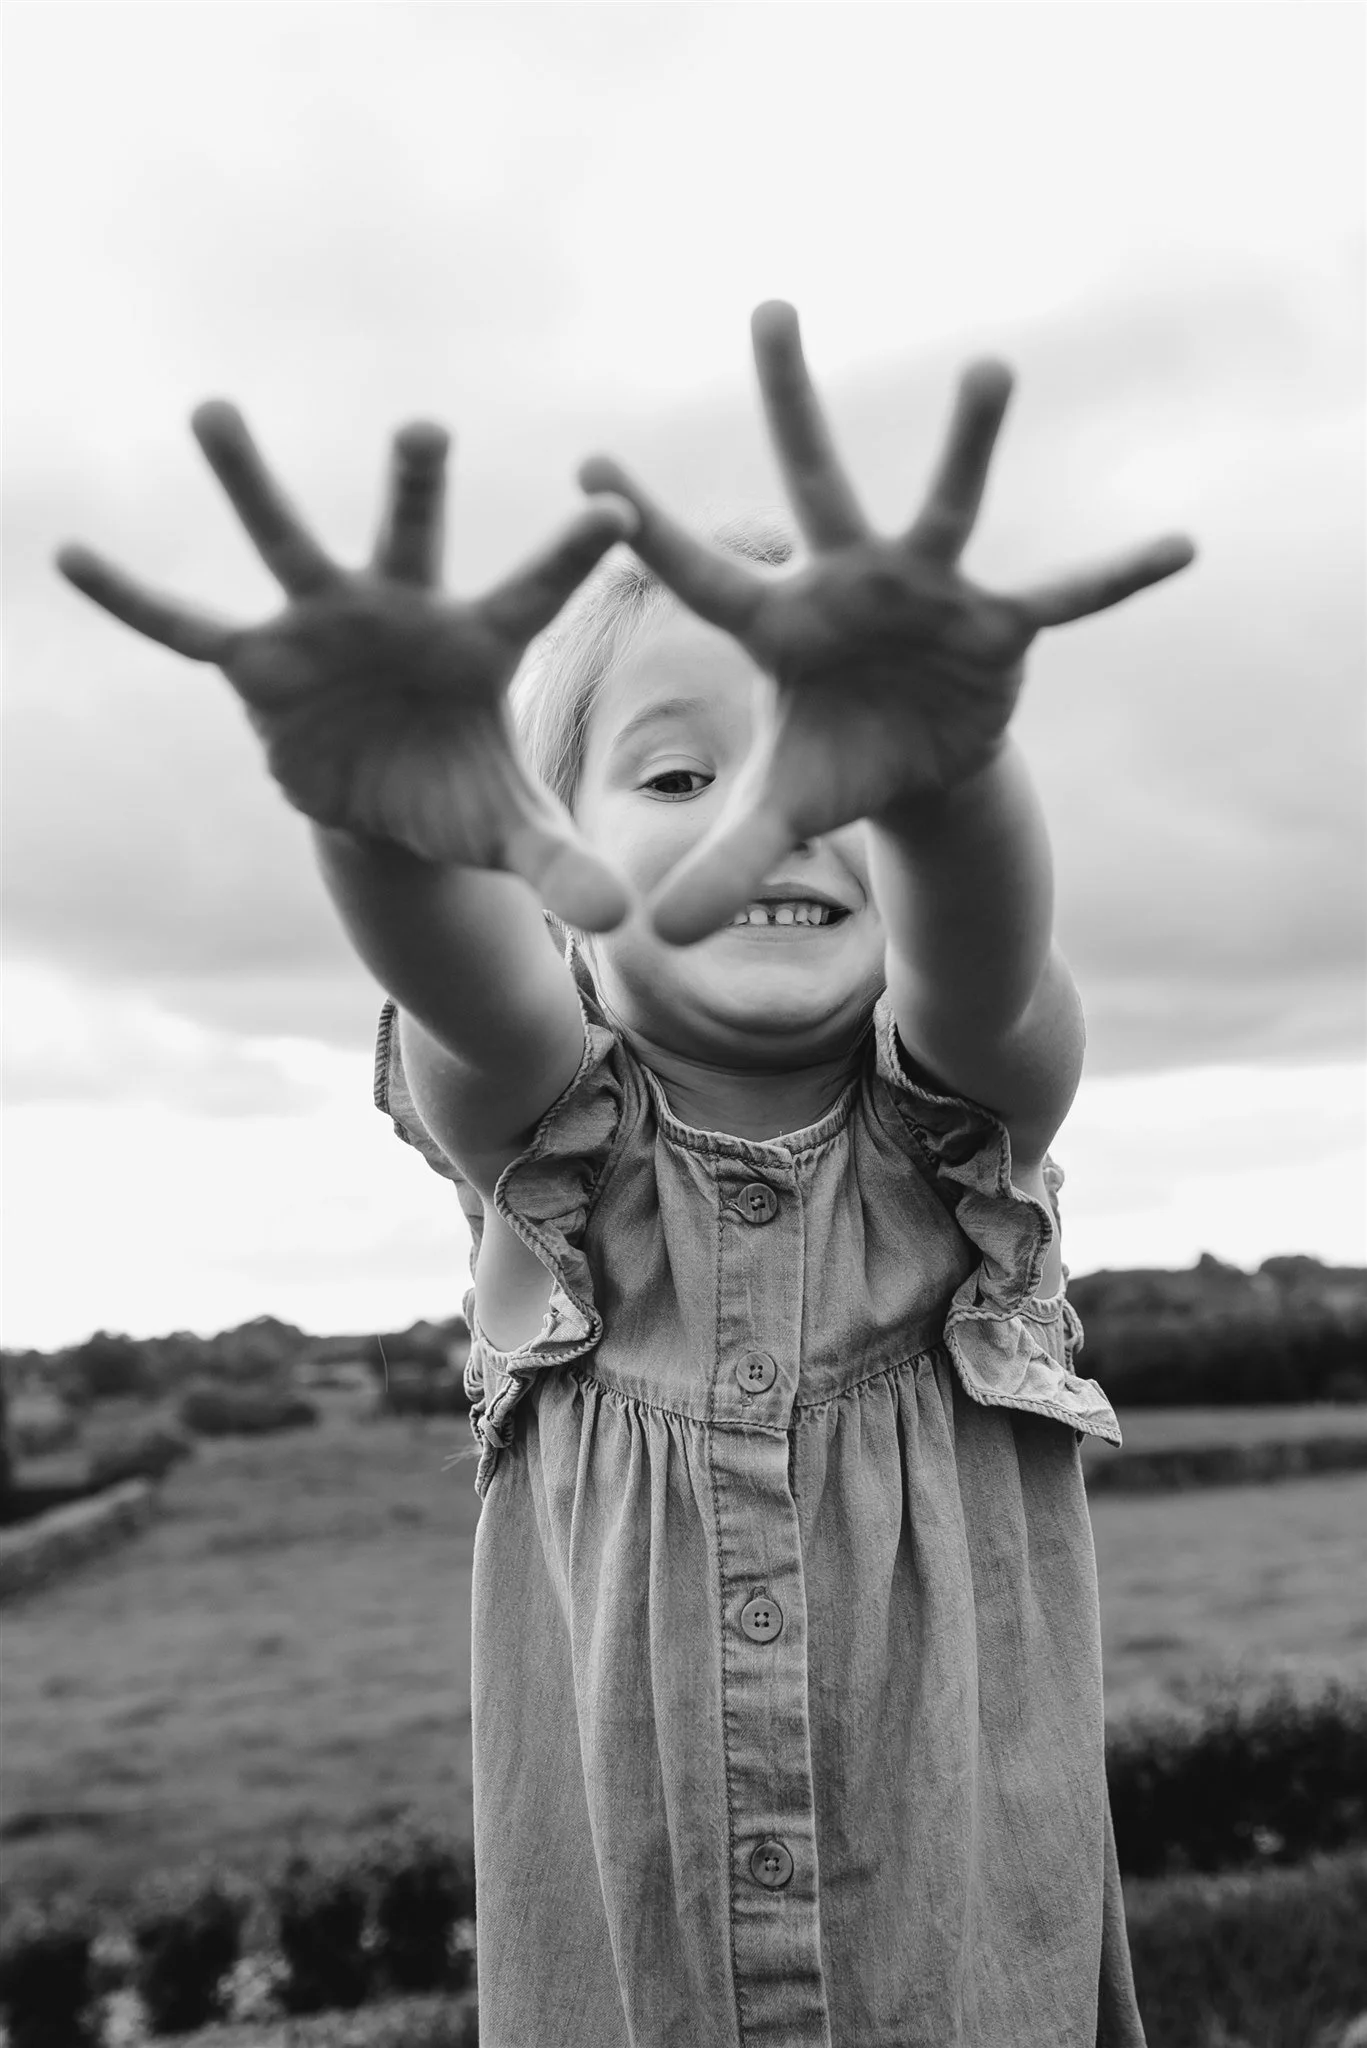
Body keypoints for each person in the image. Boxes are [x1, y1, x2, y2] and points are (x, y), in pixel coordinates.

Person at [57, 301, 1194, 2048]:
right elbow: (465, 981)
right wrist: (379, 809)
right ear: (546, 852)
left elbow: (985, 951)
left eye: (841, 770)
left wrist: (947, 769)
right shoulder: (543, 1149)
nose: (786, 806)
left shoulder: (964, 1127)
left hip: (971, 1997)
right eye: (680, 768)